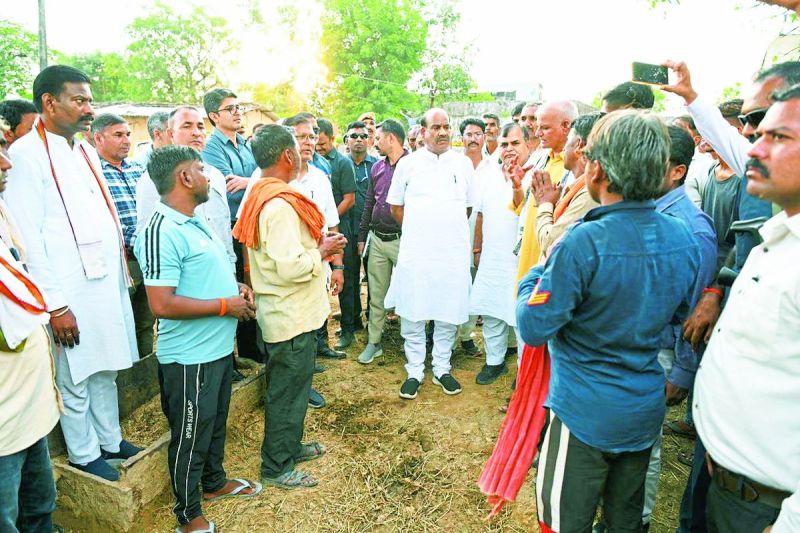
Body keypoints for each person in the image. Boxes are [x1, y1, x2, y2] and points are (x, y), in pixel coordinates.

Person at [518, 110, 700, 532]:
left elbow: (533, 327)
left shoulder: (583, 242)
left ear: (596, 169)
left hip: (583, 414)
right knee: (626, 520)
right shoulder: (682, 237)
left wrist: (537, 273)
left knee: (564, 521)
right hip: (642, 409)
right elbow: (677, 314)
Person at [5, 65, 140, 481]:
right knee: (76, 371)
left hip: (102, 279)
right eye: (79, 100)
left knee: (107, 363)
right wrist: (56, 304)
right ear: (50, 102)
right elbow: (29, 235)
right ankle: (83, 453)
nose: (88, 108)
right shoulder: (27, 154)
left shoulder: (81, 148)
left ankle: (110, 440)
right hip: (68, 287)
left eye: (89, 100)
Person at [692, 84, 800, 533]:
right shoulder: (774, 239)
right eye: (758, 133)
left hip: (766, 510)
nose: (754, 147)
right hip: (728, 485)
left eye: (780, 137)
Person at [136, 145, 261, 533]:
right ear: (185, 178)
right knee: (189, 435)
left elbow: (203, 274)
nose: (208, 177)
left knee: (214, 421)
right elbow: (162, 303)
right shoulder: (160, 230)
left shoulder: (192, 221)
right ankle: (187, 515)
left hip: (217, 349)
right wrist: (226, 305)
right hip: (189, 358)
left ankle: (213, 482)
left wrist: (234, 285)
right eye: (201, 170)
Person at [233, 124, 346, 489]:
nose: (303, 153)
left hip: (294, 313)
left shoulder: (267, 194)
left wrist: (317, 247)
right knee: (285, 392)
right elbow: (290, 267)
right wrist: (322, 251)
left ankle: (290, 446)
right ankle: (277, 466)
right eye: (298, 147)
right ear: (287, 155)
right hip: (290, 316)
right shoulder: (278, 204)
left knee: (295, 389)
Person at [640, 125, 718, 532]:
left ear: (676, 171)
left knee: (645, 448)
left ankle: (638, 520)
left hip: (664, 353)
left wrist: (682, 371)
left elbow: (694, 312)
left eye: (652, 159)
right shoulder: (646, 210)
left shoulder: (692, 226)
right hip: (639, 346)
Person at [385, 108, 475, 399]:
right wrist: (420, 228)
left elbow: (468, 208)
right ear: (423, 132)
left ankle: (441, 368)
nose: (443, 132)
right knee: (413, 308)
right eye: (436, 127)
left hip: (451, 252)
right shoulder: (407, 164)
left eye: (447, 126)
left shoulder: (462, 164)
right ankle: (414, 370)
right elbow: (395, 207)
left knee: (448, 309)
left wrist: (444, 228)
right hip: (417, 252)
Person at [0, 119, 61, 533]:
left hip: (30, 412)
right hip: (3, 427)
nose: (7, 163)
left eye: (5, 148)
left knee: (40, 506)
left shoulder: (3, 214)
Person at [201, 89, 261, 363]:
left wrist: (250, 182)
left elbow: (255, 179)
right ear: (214, 116)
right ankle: (243, 354)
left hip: (253, 223)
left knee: (255, 286)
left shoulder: (244, 143)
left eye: (239, 108)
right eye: (231, 109)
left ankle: (256, 350)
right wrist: (254, 183)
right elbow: (228, 187)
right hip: (232, 228)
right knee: (237, 285)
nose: (238, 113)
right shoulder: (212, 148)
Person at [92, 113, 154, 359]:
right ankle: (124, 377)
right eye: (118, 135)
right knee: (120, 324)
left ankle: (145, 379)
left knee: (145, 322)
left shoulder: (139, 169)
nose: (126, 140)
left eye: (128, 134)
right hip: (120, 261)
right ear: (98, 138)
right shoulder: (93, 173)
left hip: (146, 258)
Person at [469, 125, 520, 385]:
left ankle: (524, 372)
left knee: (520, 317)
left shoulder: (535, 174)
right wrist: (477, 249)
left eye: (515, 143)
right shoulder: (488, 176)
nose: (509, 149)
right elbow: (480, 215)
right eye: (505, 144)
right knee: (491, 312)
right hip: (491, 257)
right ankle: (494, 362)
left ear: (525, 146)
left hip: (521, 260)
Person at [356, 119, 407, 364]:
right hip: (377, 239)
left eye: (378, 138)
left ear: (391, 138)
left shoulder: (414, 166)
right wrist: (362, 237)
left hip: (405, 240)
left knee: (410, 291)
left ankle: (412, 343)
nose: (374, 143)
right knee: (376, 294)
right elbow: (369, 204)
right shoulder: (377, 167)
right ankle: (374, 342)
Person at [509, 101, 577, 281]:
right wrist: (517, 186)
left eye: (544, 128)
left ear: (566, 126)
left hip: (554, 252)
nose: (538, 133)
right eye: (538, 127)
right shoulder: (540, 158)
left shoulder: (577, 166)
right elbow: (520, 207)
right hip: (529, 248)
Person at [534, 112, 602, 258]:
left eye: (568, 141)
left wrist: (545, 204)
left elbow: (550, 243)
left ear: (580, 145)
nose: (564, 148)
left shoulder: (590, 194)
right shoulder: (580, 186)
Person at [316, 118, 359, 350]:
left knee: (347, 281)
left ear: (332, 139)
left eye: (322, 144)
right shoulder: (312, 164)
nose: (318, 147)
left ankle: (349, 328)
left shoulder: (342, 163)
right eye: (316, 143)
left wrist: (327, 218)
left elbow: (349, 199)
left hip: (340, 231)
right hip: (320, 233)